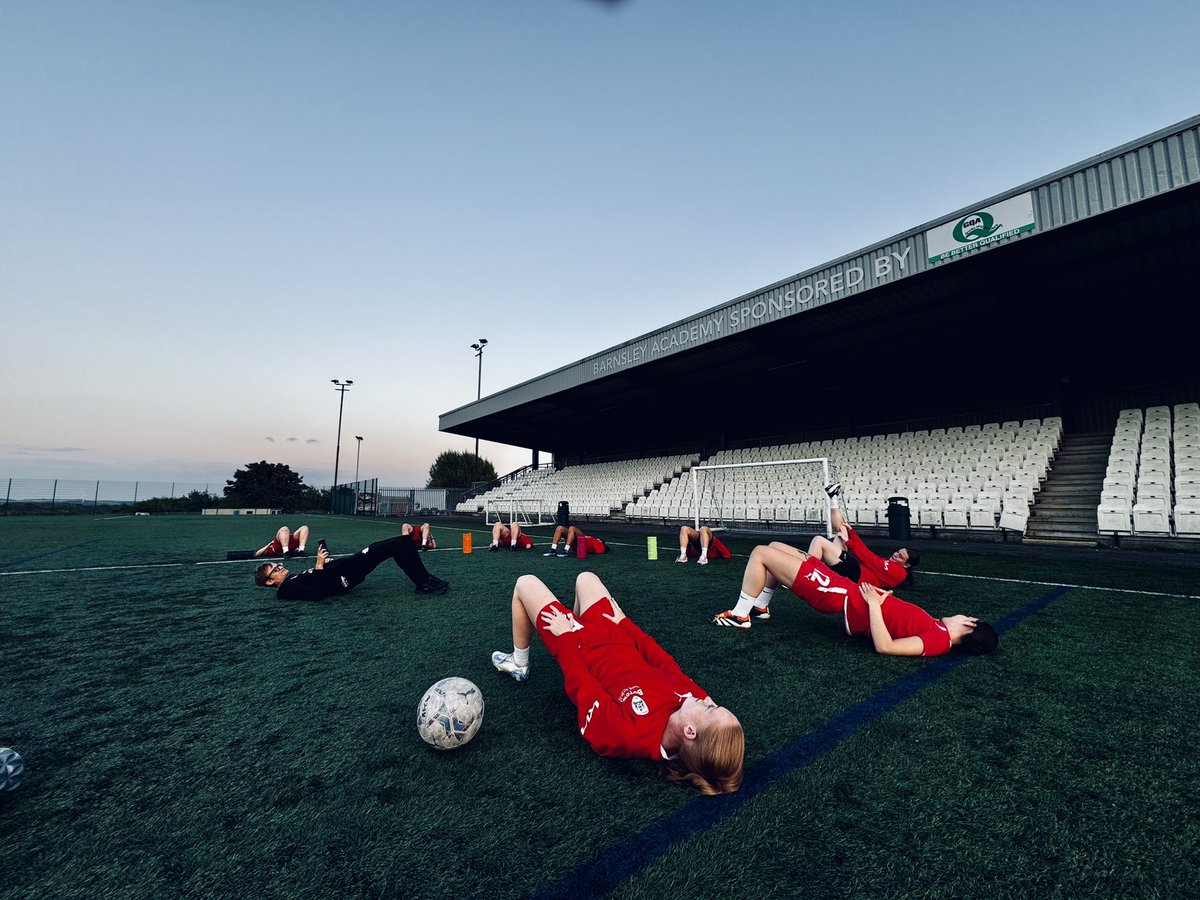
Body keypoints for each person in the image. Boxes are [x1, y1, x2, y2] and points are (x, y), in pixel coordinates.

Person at [491, 572, 744, 794]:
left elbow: (582, 686)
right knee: (586, 578)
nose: (708, 699)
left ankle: (519, 663)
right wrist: (625, 623)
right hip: (615, 635)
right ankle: (577, 619)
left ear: (690, 732)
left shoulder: (626, 736)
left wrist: (567, 636)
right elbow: (664, 661)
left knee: (525, 583)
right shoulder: (693, 702)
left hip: (579, 648)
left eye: (711, 708)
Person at [712, 542, 997, 657]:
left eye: (966, 616)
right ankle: (759, 605)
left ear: (971, 624)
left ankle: (741, 615)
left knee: (761, 552)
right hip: (845, 588)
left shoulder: (938, 642)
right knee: (774, 548)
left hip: (838, 596)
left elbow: (886, 647)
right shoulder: (938, 629)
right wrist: (884, 599)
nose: (961, 614)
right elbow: (898, 619)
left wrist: (874, 604)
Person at [254, 534, 449, 601]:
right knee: (393, 547)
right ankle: (422, 582)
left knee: (404, 540)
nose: (280, 566)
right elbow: (317, 594)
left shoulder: (292, 579)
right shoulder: (286, 590)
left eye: (278, 564)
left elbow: (316, 579)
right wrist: (320, 566)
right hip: (345, 576)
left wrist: (325, 564)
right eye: (275, 569)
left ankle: (425, 577)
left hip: (344, 567)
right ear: (270, 581)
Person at [805, 484, 919, 589]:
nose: (895, 554)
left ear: (906, 565)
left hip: (853, 573)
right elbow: (866, 553)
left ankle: (804, 574)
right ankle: (833, 497)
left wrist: (850, 544)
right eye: (898, 552)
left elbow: (868, 558)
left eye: (900, 556)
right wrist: (852, 532)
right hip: (853, 570)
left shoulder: (899, 573)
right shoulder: (892, 566)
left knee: (819, 540)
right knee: (843, 528)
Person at [543, 525, 608, 557]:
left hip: (583, 543)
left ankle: (566, 550)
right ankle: (552, 550)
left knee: (572, 528)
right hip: (576, 541)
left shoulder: (598, 542)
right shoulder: (592, 538)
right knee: (559, 528)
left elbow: (600, 550)